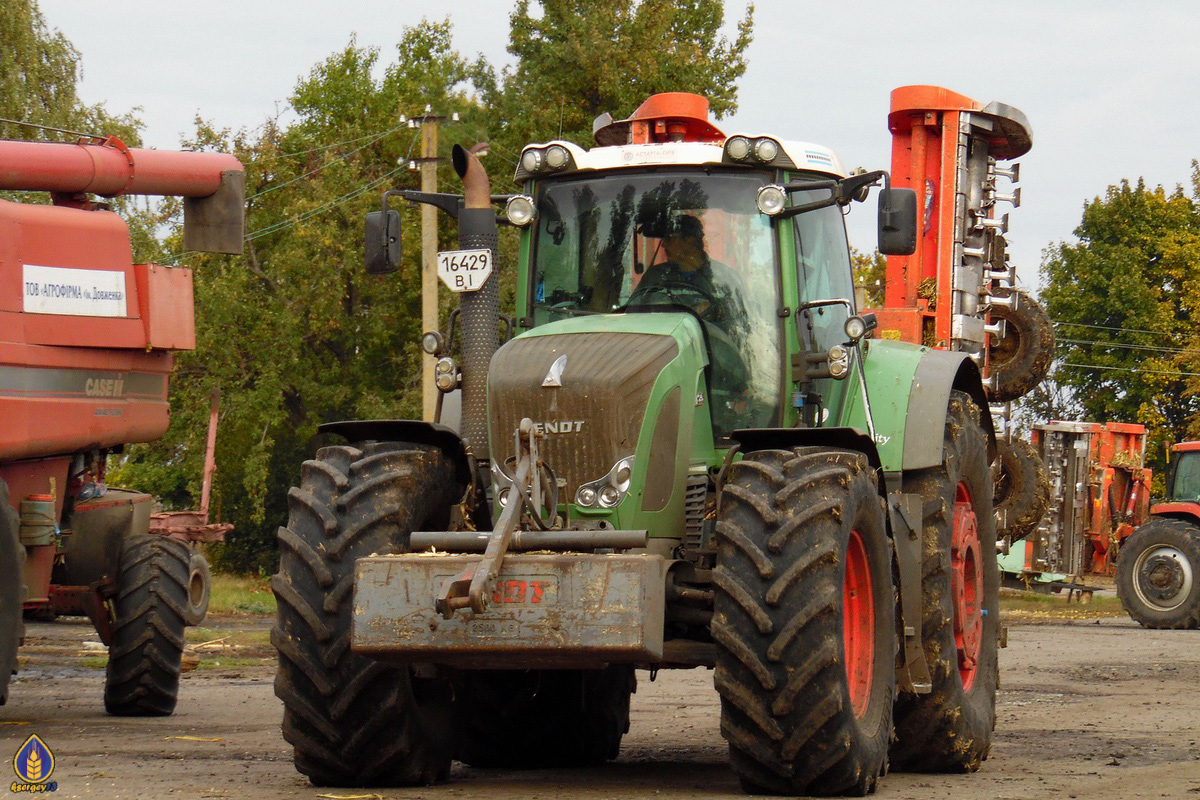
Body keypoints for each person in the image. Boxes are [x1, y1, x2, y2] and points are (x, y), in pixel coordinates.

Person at [629, 214, 746, 330]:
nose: (664, 245)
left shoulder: (725, 279)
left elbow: (740, 328)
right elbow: (631, 317)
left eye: (669, 239)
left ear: (689, 241)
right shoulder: (654, 276)